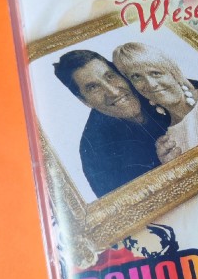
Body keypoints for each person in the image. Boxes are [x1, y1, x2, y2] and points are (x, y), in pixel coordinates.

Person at [53, 50, 171, 197]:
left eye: (110, 76)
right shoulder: (95, 154)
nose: (113, 92)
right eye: (93, 87)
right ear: (84, 101)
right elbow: (128, 208)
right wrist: (165, 170)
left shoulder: (149, 86)